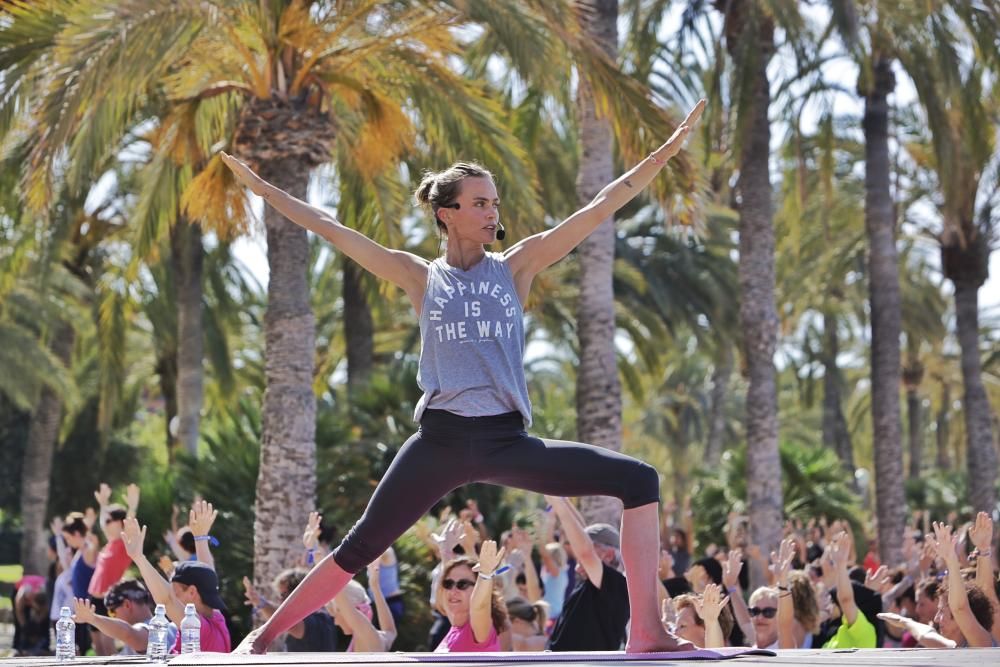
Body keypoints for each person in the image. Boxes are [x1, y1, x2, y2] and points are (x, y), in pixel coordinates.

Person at [223, 98, 707, 655]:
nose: (491, 213)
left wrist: (663, 153)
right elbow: (329, 226)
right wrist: (261, 187)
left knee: (640, 480)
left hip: (508, 441)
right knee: (359, 544)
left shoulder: (517, 266)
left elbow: (600, 205)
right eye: (479, 203)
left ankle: (646, 633)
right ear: (447, 212)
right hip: (441, 441)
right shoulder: (418, 277)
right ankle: (262, 637)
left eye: (494, 203)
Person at [120, 517, 231, 653]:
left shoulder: (198, 629)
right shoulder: (216, 617)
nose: (174, 596)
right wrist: (201, 538)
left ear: (192, 592)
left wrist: (139, 558)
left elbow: (168, 601)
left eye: (176, 592)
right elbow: (207, 573)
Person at [433, 541, 507, 652]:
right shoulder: (456, 625)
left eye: (462, 584)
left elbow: (479, 607)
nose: (453, 590)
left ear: (478, 589)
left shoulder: (478, 629)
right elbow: (442, 593)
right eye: (448, 584)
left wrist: (485, 574)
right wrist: (445, 550)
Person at [72, 580, 178, 655]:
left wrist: (93, 619)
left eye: (112, 612)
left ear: (127, 605)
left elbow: (128, 634)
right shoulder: (172, 626)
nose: (112, 617)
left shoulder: (146, 630)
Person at [243, 569, 337, 652]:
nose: (281, 600)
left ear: (298, 592)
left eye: (284, 595)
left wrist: (261, 603)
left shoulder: (313, 619)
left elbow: (287, 622)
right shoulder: (319, 614)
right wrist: (260, 602)